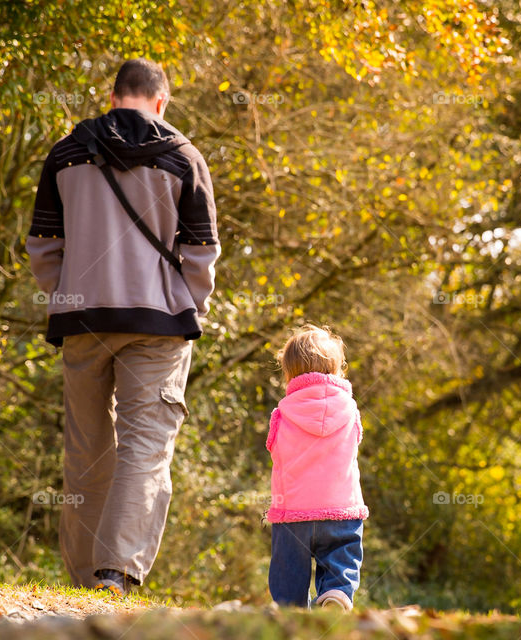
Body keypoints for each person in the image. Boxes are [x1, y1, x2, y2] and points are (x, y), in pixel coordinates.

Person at [26, 58, 219, 595]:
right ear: (162, 103)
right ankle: (116, 573)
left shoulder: (65, 153)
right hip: (158, 324)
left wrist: (65, 297)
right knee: (145, 445)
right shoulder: (183, 157)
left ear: (112, 97)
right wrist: (188, 306)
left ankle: (83, 576)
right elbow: (201, 251)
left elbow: (43, 245)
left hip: (83, 319)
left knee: (86, 447)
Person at [266, 325, 369, 609]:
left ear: (288, 372)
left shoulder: (282, 413)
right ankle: (335, 595)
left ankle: (290, 610)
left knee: (288, 574)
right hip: (341, 510)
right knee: (340, 560)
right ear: (337, 369)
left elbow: (274, 450)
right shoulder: (351, 411)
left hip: (292, 512)